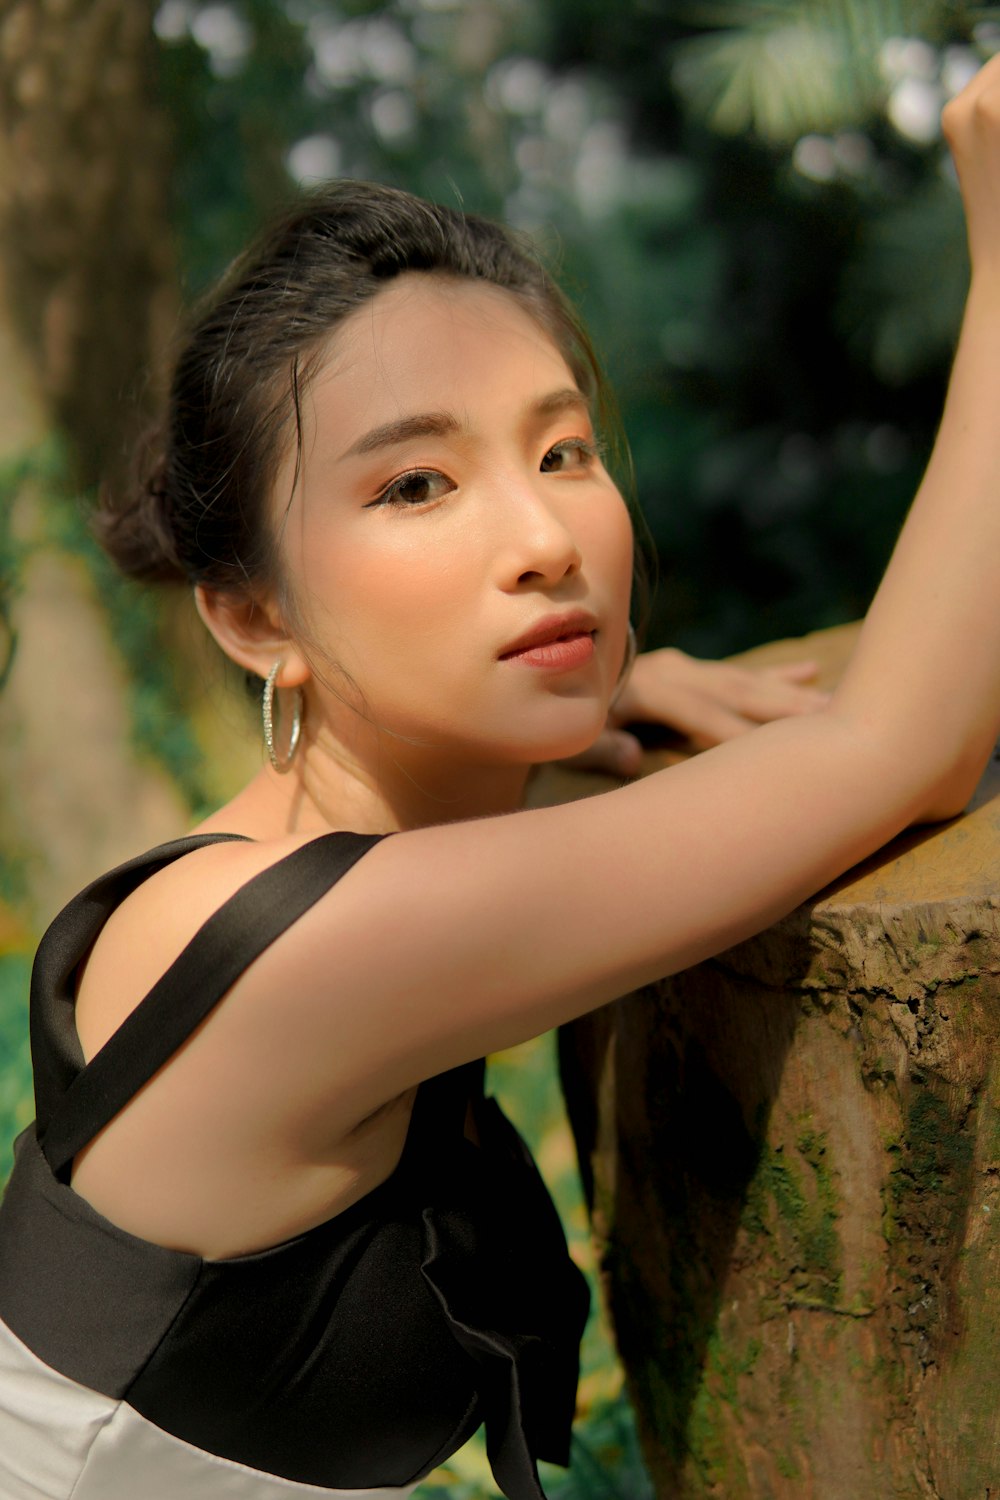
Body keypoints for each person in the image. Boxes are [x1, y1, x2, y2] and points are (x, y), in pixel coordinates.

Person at [2, 56, 1000, 1500]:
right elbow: (904, 748)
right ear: (254, 617)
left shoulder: (331, 845)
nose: (544, 535)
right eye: (416, 485)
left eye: (566, 447)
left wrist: (605, 700)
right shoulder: (314, 949)